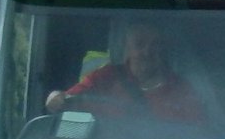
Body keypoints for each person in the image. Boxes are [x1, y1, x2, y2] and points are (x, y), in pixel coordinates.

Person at [44, 21, 205, 123]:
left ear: (164, 50)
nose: (147, 52)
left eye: (155, 45)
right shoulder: (104, 78)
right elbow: (66, 101)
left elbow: (198, 136)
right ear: (126, 48)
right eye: (139, 44)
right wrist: (56, 98)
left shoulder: (181, 89)